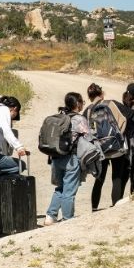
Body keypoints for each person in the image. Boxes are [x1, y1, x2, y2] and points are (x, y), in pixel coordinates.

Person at [43, 92, 89, 225]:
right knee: (69, 190)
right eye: (82, 102)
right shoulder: (79, 119)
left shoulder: (61, 116)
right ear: (77, 104)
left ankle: (50, 216)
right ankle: (67, 219)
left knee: (60, 188)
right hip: (71, 158)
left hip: (56, 157)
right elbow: (88, 137)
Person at [87, 84, 132, 206]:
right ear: (101, 94)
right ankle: (115, 204)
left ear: (89, 96)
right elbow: (123, 120)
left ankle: (94, 207)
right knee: (116, 177)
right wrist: (119, 137)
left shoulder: (89, 110)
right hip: (115, 146)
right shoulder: (110, 104)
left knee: (99, 179)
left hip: (100, 149)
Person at [0, 95, 29, 177]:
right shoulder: (4, 110)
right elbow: (6, 130)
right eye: (15, 116)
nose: (12, 119)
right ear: (15, 109)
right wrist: (19, 147)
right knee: (20, 165)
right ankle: (5, 188)